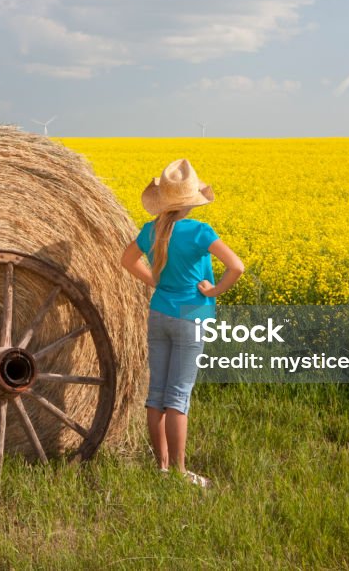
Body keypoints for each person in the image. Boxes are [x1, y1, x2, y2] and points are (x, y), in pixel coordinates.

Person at [121, 158, 244, 488]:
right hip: (191, 318)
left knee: (156, 393)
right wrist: (214, 289)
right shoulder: (200, 231)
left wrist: (155, 282)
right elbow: (237, 266)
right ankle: (178, 472)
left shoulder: (151, 230)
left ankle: (160, 467)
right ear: (191, 201)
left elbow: (126, 260)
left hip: (159, 313)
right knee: (178, 397)